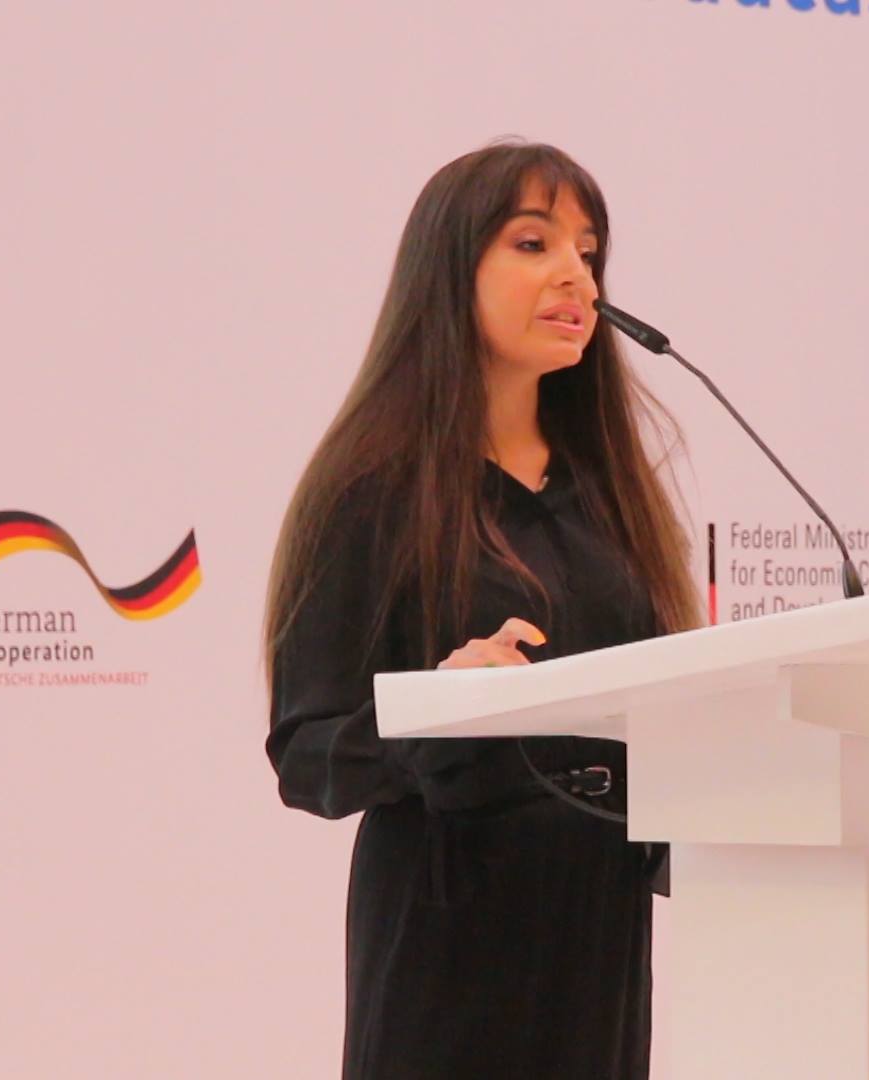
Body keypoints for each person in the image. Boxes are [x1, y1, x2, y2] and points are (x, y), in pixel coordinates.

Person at [262, 140, 700, 1079]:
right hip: (447, 948)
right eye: (533, 243)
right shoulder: (370, 491)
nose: (576, 275)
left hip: (597, 942)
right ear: (449, 270)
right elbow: (307, 755)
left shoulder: (614, 495)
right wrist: (434, 711)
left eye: (589, 252)